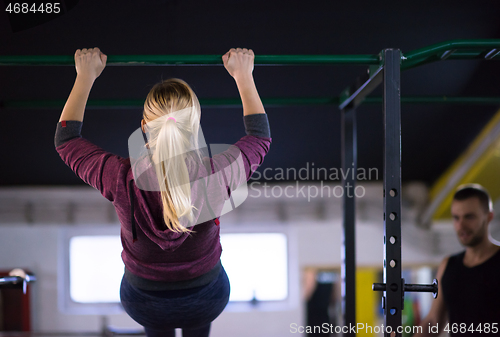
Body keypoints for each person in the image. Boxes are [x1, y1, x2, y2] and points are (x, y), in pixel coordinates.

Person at [55, 47, 271, 337]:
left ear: (145, 127)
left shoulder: (120, 176)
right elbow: (259, 136)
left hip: (143, 298)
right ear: (194, 127)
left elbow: (66, 140)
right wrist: (244, 75)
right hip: (206, 297)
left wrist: (85, 76)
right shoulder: (216, 174)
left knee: (156, 323)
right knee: (198, 321)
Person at [414, 184, 500, 337]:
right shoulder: (448, 265)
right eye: (456, 218)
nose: (461, 225)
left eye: (469, 217)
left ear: (489, 217)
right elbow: (433, 321)